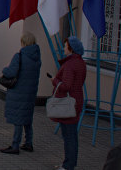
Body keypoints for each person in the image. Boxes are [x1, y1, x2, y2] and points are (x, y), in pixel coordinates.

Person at [0, 31, 42, 155]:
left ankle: (15, 145)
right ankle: (29, 143)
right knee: (27, 118)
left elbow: (10, 73)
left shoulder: (19, 56)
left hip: (19, 91)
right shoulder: (37, 58)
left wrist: (5, 68)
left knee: (18, 119)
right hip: (30, 91)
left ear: (23, 42)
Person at [49, 36, 87, 170]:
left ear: (71, 48)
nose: (63, 48)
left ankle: (68, 165)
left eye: (65, 46)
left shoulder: (71, 64)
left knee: (69, 135)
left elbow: (66, 86)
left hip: (68, 103)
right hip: (76, 100)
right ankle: (69, 163)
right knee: (71, 135)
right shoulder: (80, 62)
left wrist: (55, 81)